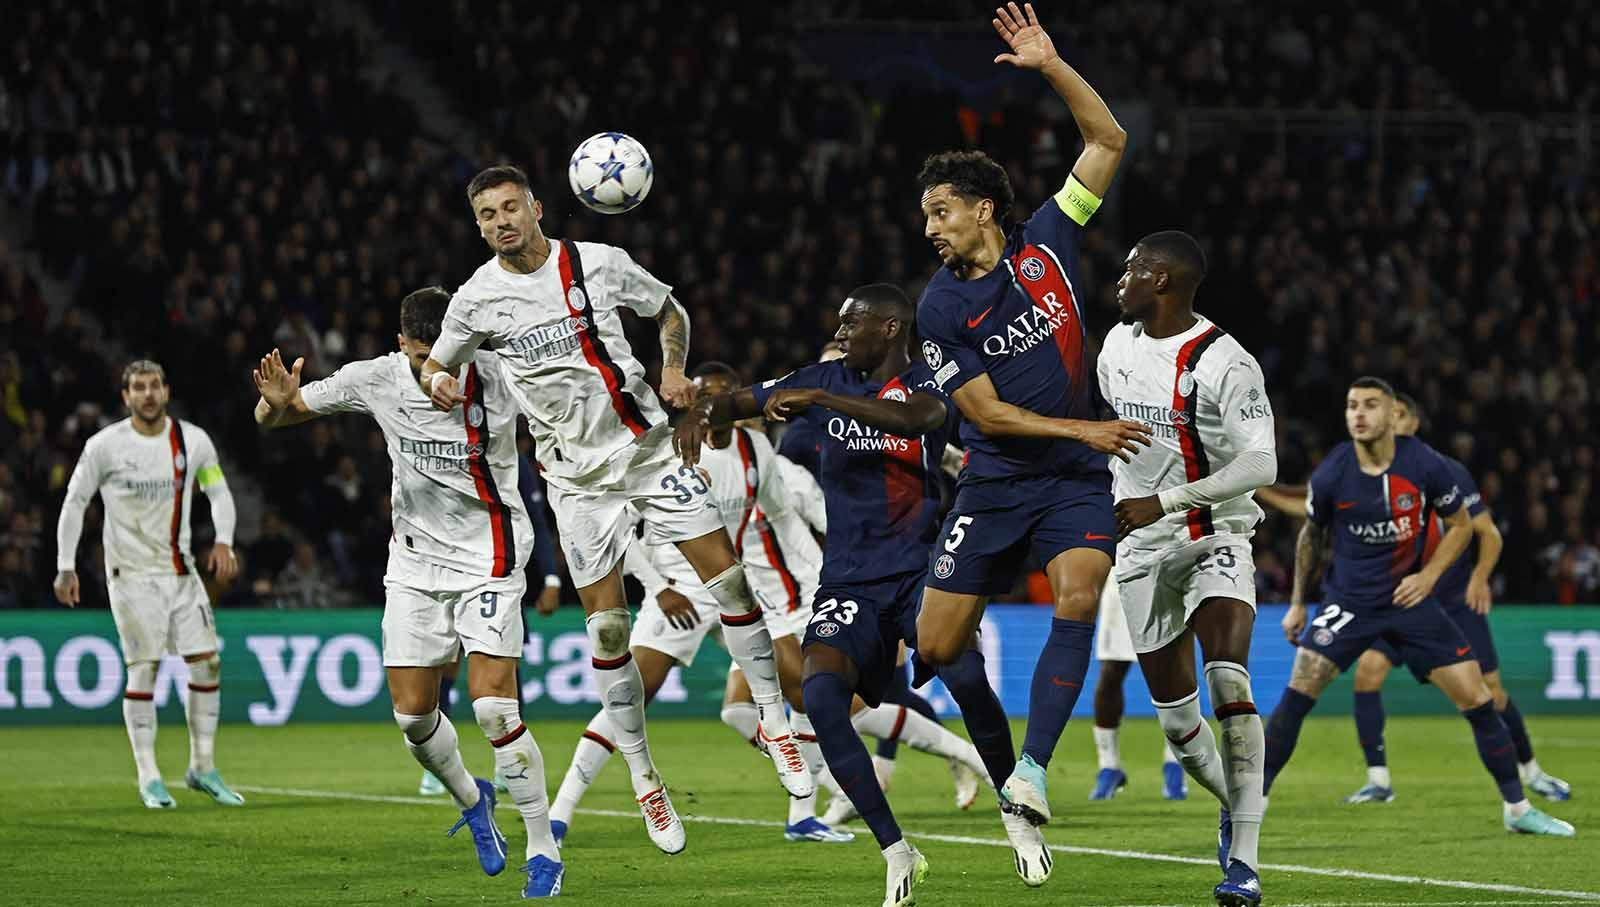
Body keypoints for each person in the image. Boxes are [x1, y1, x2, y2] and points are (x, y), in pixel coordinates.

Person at [420, 164, 810, 854]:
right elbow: (437, 365)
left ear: (538, 208)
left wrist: (671, 366)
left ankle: (776, 721)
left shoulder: (598, 263)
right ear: (477, 225)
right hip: (575, 485)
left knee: (732, 580)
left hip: (647, 451)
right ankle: (642, 774)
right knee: (607, 634)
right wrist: (441, 380)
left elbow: (670, 310)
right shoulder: (474, 300)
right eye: (487, 214)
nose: (501, 221)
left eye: (511, 207)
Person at [676, 284, 1016, 907]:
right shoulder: (823, 375)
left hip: (922, 571)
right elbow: (747, 399)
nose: (840, 330)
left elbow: (915, 421)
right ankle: (897, 852)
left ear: (888, 328)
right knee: (825, 699)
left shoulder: (927, 377)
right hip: (849, 580)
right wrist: (704, 415)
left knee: (966, 680)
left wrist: (822, 398)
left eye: (851, 321)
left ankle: (1013, 802)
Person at [911, 2, 1150, 869]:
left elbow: (1109, 140)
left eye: (941, 211)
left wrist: (1052, 65)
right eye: (927, 216)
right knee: (935, 647)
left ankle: (1035, 773)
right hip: (998, 480)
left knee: (1081, 594)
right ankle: (995, 754)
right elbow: (984, 416)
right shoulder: (939, 309)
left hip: (1073, 482)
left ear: (983, 209)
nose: (930, 228)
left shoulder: (1049, 239)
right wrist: (1082, 425)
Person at [251, 287, 563, 897]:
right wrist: (271, 406)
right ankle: (475, 802)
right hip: (416, 565)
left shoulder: (501, 374)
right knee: (414, 718)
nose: (434, 372)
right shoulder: (377, 378)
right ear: (402, 347)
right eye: (422, 359)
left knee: (494, 707)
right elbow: (284, 413)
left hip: (490, 554)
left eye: (444, 356)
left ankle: (544, 848)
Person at [1262, 377, 1574, 839]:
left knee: (1479, 699)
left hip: (1411, 605)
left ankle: (1518, 808)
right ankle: (1251, 806)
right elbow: (1312, 534)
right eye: (1351, 406)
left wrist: (1428, 578)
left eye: (1370, 405)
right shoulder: (1333, 471)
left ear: (1393, 416)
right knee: (1297, 696)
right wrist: (1295, 605)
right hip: (1349, 604)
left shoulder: (1424, 464)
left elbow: (1463, 525)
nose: (1358, 414)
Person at [1097, 231, 1276, 905]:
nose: (1122, 278)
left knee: (1227, 675)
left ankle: (1246, 864)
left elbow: (1263, 464)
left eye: (1134, 268)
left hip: (1212, 533)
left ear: (1164, 281)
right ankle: (1239, 801)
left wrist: (1164, 499)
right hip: (1139, 549)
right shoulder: (1116, 348)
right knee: (1177, 723)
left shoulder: (1226, 362)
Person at [55, 360, 244, 809]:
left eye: (154, 385)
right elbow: (75, 501)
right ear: (125, 397)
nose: (148, 394)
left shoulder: (192, 440)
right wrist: (66, 565)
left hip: (180, 574)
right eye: (138, 387)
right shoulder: (105, 446)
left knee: (208, 663)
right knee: (145, 669)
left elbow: (217, 490)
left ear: (166, 390)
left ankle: (202, 767)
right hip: (131, 576)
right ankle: (149, 776)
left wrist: (223, 541)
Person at [420, 455, 563, 798]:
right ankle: (441, 761)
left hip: (497, 572)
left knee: (505, 667)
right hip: (445, 570)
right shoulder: (436, 451)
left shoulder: (513, 462)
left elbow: (537, 522)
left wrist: (552, 577)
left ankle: (507, 762)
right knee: (445, 666)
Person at [1086, 578, 1187, 802]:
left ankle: (1174, 763)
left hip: (1171, 571)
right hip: (1124, 573)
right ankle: (1109, 767)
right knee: (1110, 672)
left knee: (1171, 674)